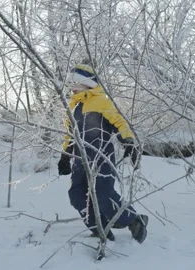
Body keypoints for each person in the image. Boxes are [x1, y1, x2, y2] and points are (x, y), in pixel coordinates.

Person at [57, 62, 148, 243]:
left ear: (88, 84)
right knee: (76, 195)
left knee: (102, 194)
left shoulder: (100, 101)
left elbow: (119, 123)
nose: (72, 87)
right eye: (71, 84)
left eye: (76, 83)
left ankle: (133, 220)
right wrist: (65, 155)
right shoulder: (73, 107)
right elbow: (70, 134)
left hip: (101, 157)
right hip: (80, 160)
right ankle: (100, 228)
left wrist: (129, 142)